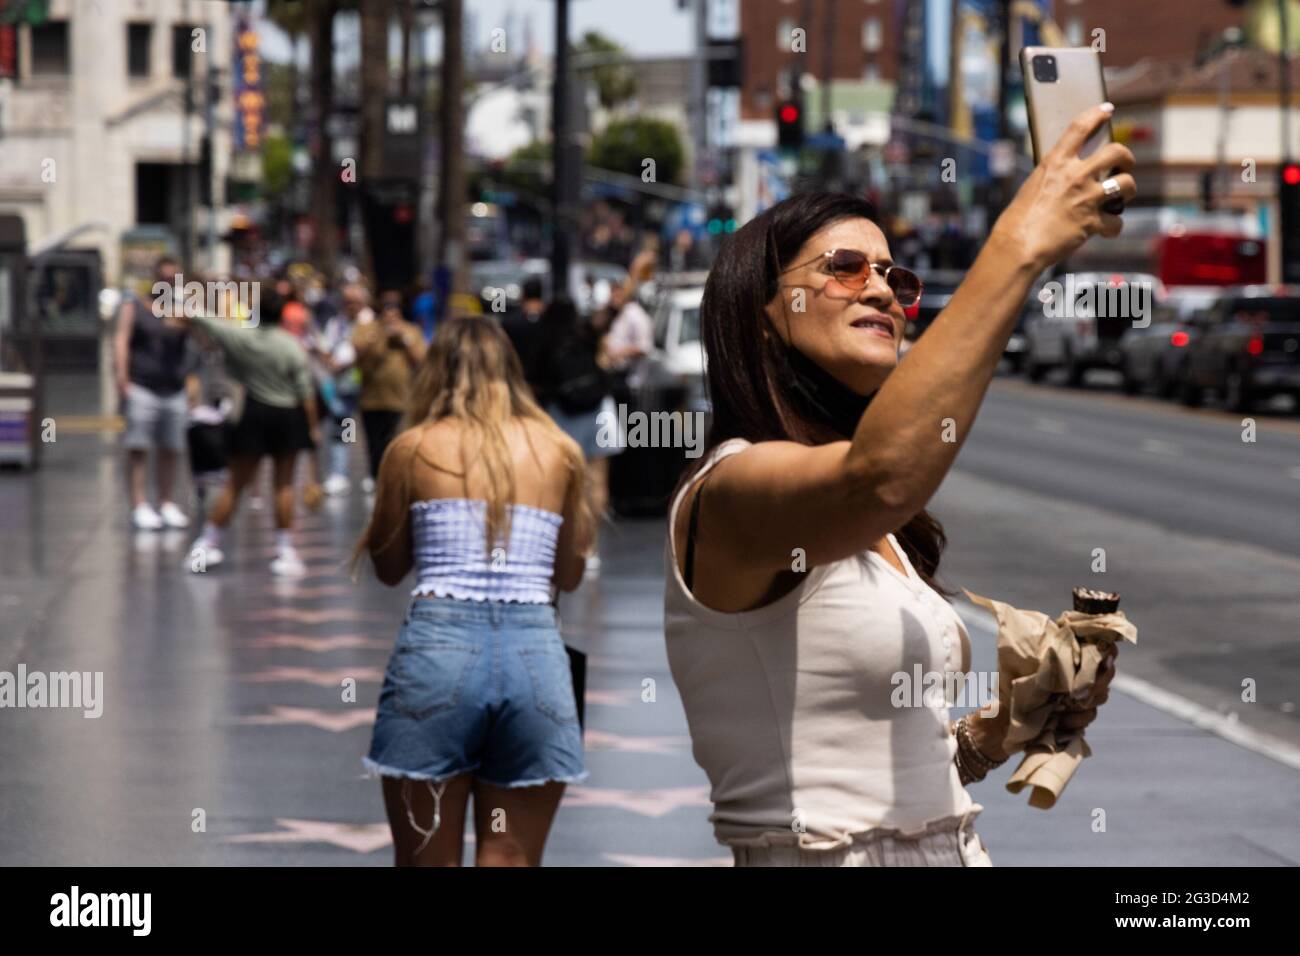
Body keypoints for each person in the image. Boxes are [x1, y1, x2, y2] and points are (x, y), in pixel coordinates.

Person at [663, 103, 1133, 866]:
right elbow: (880, 477)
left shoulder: (881, 533)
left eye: (894, 275)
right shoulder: (732, 493)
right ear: (761, 312)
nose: (881, 289)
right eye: (845, 268)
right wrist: (1019, 245)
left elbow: (885, 775)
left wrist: (1001, 728)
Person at [354, 316, 594, 866]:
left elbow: (389, 567)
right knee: (510, 858)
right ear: (513, 372)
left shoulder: (412, 449)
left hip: (437, 653)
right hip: (537, 657)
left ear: (433, 372)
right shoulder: (558, 450)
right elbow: (571, 575)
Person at [184, 289, 320, 577]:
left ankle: (206, 543)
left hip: (255, 413)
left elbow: (209, 323)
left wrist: (184, 304)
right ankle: (285, 549)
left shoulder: (242, 337)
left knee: (236, 484)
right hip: (287, 415)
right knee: (283, 485)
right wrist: (313, 427)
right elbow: (305, 392)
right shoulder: (291, 346)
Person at [526, 298, 617, 571]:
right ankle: (591, 547)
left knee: (562, 482)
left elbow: (534, 382)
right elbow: (611, 314)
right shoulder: (585, 333)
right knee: (597, 481)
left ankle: (562, 545)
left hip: (563, 415)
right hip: (599, 410)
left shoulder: (544, 340)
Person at [115, 257, 201, 530]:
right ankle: (139, 504)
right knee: (138, 446)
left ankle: (166, 501)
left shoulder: (183, 308)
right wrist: (122, 378)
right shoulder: (137, 304)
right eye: (164, 277)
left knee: (172, 447)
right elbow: (121, 339)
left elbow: (202, 341)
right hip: (142, 385)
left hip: (174, 387)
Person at [352, 289, 426, 491]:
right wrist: (376, 336)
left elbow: (421, 361)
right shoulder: (368, 329)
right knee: (374, 444)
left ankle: (397, 479)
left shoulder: (411, 330)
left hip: (401, 399)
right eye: (386, 307)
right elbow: (356, 358)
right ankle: (376, 478)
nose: (390, 312)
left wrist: (402, 337)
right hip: (371, 399)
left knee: (398, 442)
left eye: (394, 307)